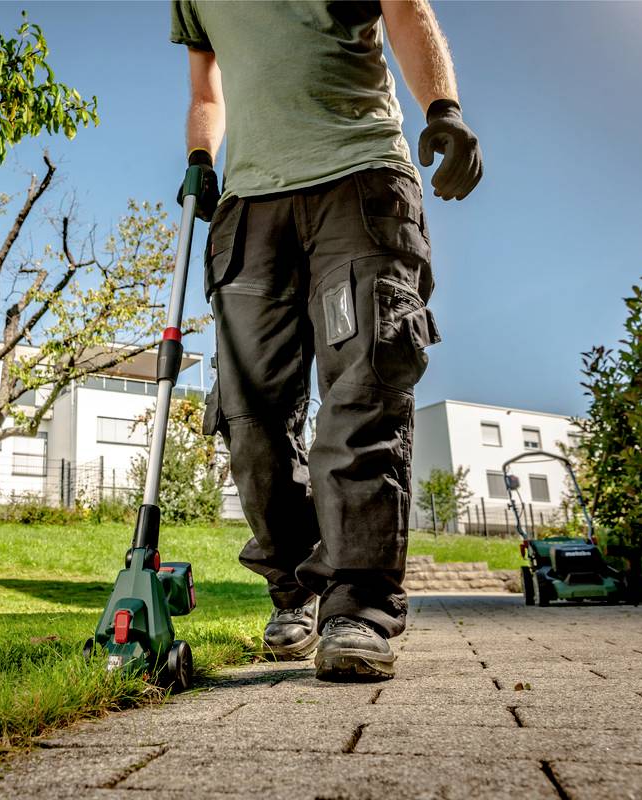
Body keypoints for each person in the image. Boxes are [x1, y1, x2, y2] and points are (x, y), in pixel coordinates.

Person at [171, 0, 482, 681]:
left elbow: (406, 10)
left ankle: (359, 607)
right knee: (250, 417)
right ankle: (296, 589)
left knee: (363, 385)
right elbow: (205, 88)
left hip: (360, 182)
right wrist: (200, 154)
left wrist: (443, 108)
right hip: (251, 209)